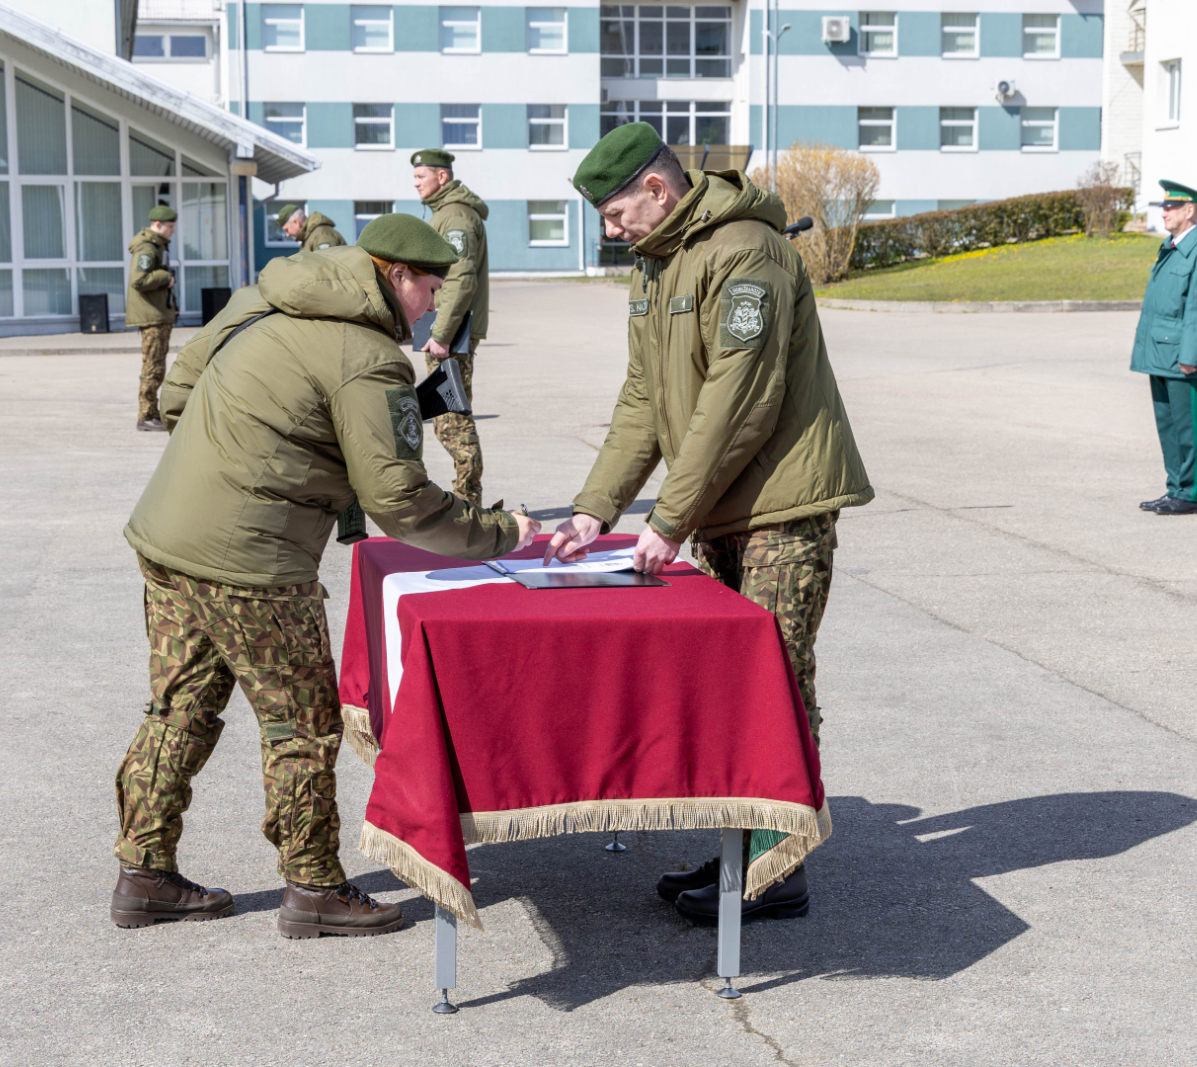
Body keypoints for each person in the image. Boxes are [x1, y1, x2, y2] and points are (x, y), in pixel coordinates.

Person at [108, 213, 540, 938]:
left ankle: (142, 873)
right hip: (255, 562)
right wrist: (503, 533)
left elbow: (178, 397)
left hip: (169, 534)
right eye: (428, 288)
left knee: (178, 707)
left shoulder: (264, 296)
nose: (431, 305)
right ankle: (313, 886)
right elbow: (399, 498)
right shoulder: (368, 356)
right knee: (302, 725)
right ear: (394, 274)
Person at [544, 122, 874, 924]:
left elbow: (739, 399)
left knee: (776, 680)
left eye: (619, 215)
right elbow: (644, 402)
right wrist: (595, 509)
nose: (613, 232)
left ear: (659, 190)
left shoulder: (746, 251)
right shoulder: (657, 267)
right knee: (732, 687)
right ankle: (742, 848)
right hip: (723, 506)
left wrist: (667, 517)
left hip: (780, 508)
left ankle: (776, 864)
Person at [1131, 180, 1197, 516]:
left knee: (1187, 425)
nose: (1164, 212)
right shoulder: (1172, 245)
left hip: (1182, 356)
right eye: (1163, 207)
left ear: (1189, 211)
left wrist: (1190, 356)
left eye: (1170, 207)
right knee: (1167, 424)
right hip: (1160, 352)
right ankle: (1175, 489)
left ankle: (1190, 493)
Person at [412, 149, 489, 506]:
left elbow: (460, 278)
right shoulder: (445, 213)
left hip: (451, 332)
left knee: (451, 418)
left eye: (420, 176)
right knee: (448, 414)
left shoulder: (455, 216)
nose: (415, 183)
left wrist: (440, 333)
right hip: (445, 326)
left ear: (442, 177)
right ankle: (465, 495)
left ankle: (467, 498)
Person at [126, 204, 179, 432]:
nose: (172, 231)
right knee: (153, 367)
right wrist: (165, 276)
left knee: (156, 365)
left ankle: (150, 412)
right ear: (157, 225)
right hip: (152, 317)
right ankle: (146, 415)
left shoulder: (156, 246)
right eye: (169, 226)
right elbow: (140, 280)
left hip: (158, 314)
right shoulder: (147, 249)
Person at [277, 203, 345, 251]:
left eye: (287, 230)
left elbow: (326, 268)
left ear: (296, 222)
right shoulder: (308, 237)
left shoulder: (322, 235)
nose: (287, 235)